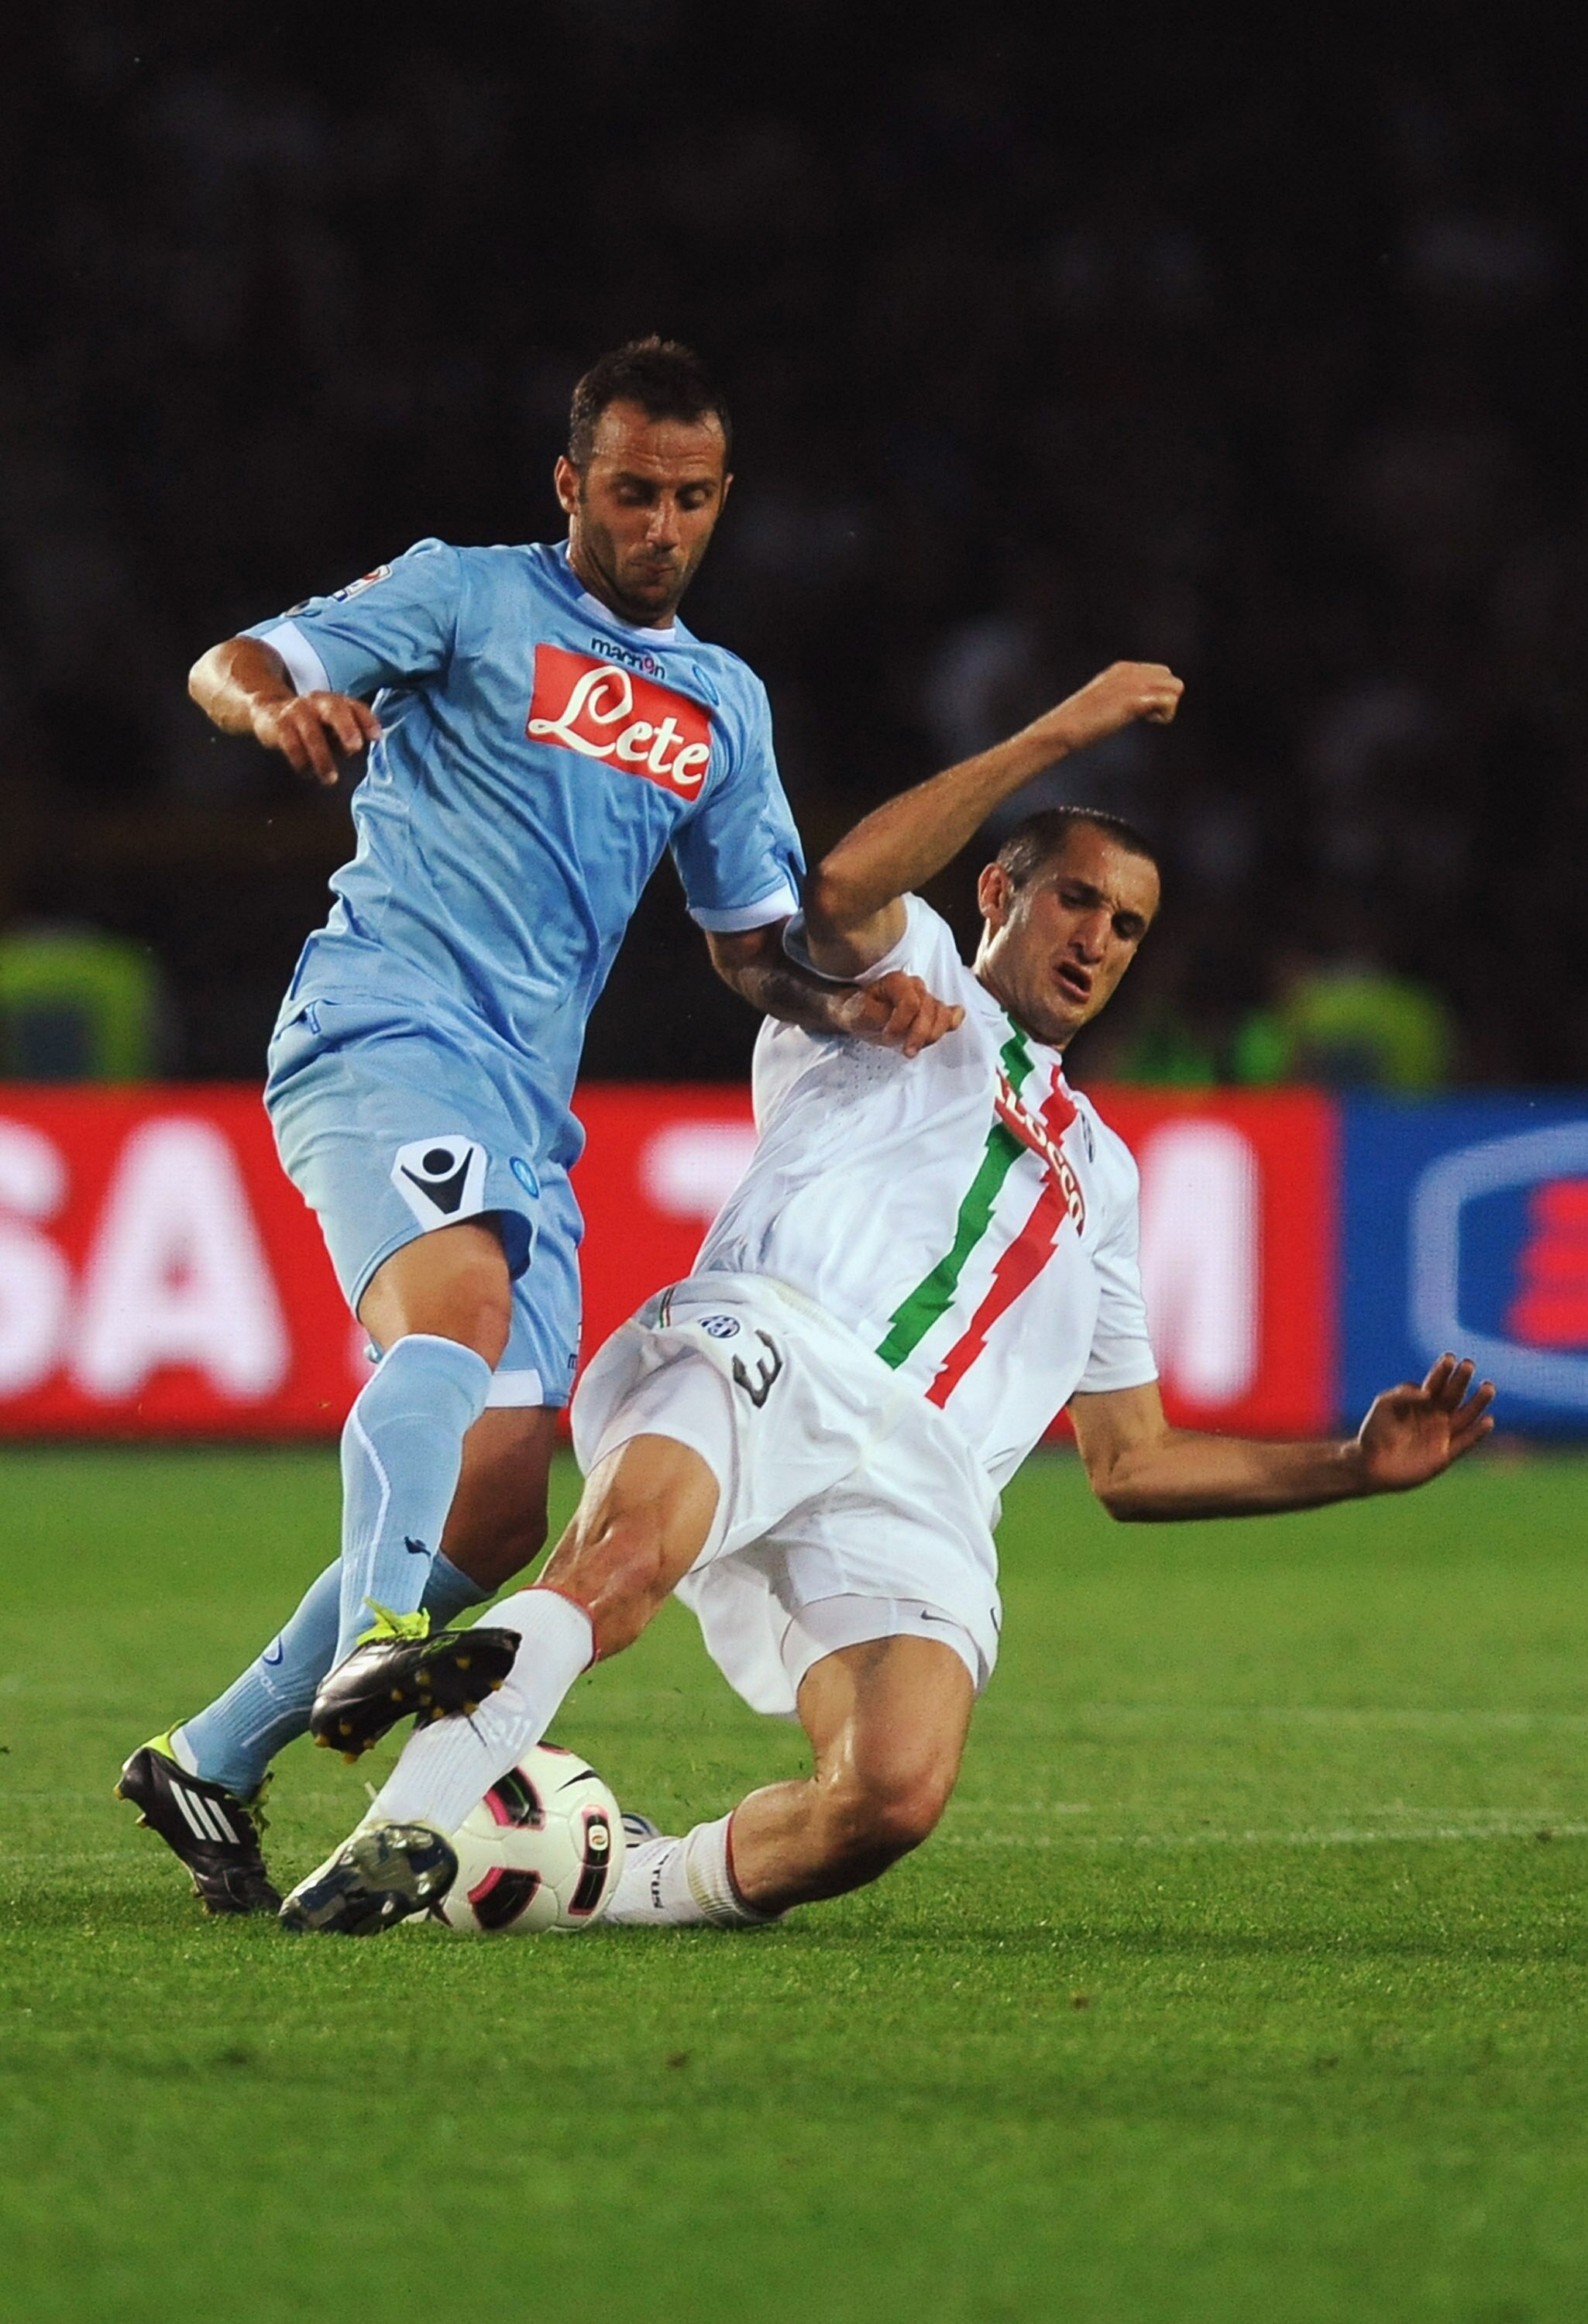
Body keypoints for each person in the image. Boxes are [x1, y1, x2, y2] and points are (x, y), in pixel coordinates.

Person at [279, 658, 1495, 1935]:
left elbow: (1131, 1463)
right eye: (1076, 898)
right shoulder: (908, 985)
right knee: (620, 1564)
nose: (1096, 939)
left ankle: (612, 1881)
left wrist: (1349, 1467)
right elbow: (839, 890)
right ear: (997, 892)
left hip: (921, 1481)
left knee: (891, 1793)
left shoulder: (1103, 1174)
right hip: (770, 1343)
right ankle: (394, 1838)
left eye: (1127, 925)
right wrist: (1057, 734)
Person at [118, 338, 958, 1916]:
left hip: (525, 1102)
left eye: (689, 500)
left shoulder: (722, 704)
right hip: (382, 1026)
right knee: (454, 1315)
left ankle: (210, 1757)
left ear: (722, 499)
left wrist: (844, 1008)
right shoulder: (465, 594)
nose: (658, 526)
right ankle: (378, 1640)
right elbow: (234, 660)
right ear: (569, 484)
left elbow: (746, 943)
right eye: (630, 492)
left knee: (501, 1500)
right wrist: (275, 714)